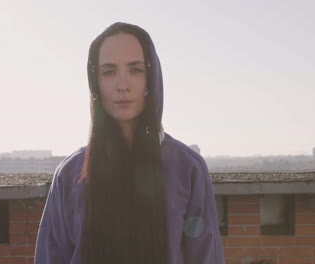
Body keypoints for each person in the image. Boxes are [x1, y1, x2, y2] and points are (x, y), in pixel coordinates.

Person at [34, 22, 225, 264]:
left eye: (135, 70)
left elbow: (205, 256)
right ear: (95, 84)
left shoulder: (188, 168)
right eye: (108, 71)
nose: (122, 85)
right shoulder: (70, 174)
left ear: (151, 78)